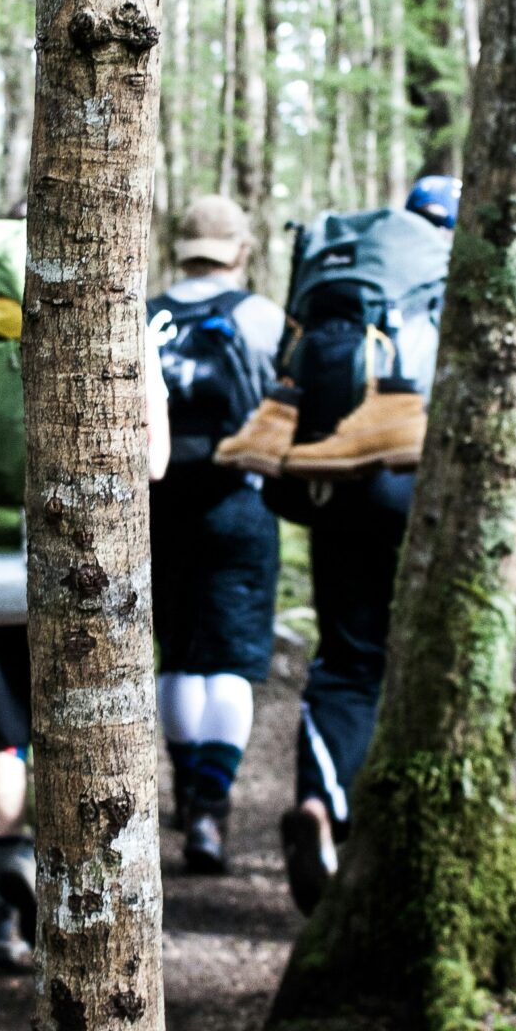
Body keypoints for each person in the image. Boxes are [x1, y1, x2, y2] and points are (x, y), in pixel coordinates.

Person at [216, 175, 458, 913]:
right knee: (429, 657)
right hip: (411, 479)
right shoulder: (448, 282)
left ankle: (321, 806)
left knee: (348, 655)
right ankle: (402, 845)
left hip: (331, 475)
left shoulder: (348, 268)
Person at [0, 205, 170, 970]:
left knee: (1, 733)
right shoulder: (115, 306)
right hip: (88, 558)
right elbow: (155, 461)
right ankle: (87, 914)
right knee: (89, 729)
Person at [147, 196, 287, 875]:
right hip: (240, 501)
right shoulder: (261, 318)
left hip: (158, 502)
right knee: (229, 657)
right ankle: (210, 806)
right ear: (240, 249)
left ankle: (183, 786)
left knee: (178, 650)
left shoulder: (146, 313)